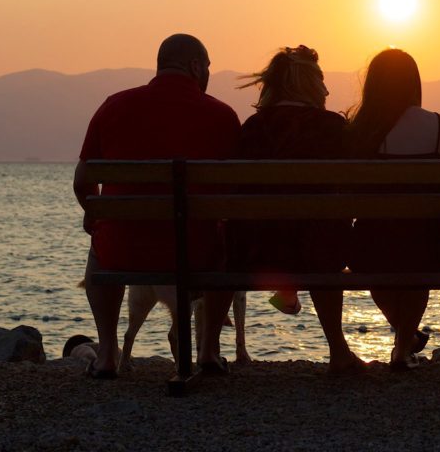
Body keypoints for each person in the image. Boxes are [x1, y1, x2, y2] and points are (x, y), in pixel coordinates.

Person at [73, 34, 241, 378]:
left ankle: (106, 354)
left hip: (125, 250)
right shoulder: (221, 115)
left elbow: (82, 180)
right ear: (195, 66)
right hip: (197, 251)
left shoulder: (114, 106)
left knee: (99, 249)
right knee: (229, 252)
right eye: (207, 67)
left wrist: (95, 215)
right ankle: (208, 352)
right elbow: (235, 191)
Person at [211, 45, 365, 373]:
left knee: (228, 247)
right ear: (310, 84)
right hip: (317, 254)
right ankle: (338, 351)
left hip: (252, 253)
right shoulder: (331, 128)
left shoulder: (252, 128)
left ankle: (209, 350)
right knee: (325, 233)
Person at [346, 48, 440, 371]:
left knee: (375, 245)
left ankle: (405, 339)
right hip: (430, 248)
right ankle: (402, 348)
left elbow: (352, 193)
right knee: (419, 244)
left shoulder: (359, 129)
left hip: (369, 250)